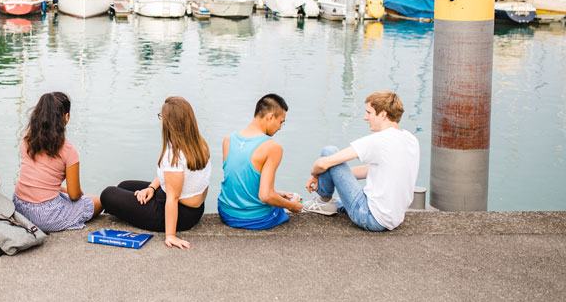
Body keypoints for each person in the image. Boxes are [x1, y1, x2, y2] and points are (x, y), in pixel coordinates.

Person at [101, 96, 211, 249]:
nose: (161, 121)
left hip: (178, 214)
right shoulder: (199, 144)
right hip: (194, 209)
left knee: (108, 194)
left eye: (162, 117)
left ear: (170, 123)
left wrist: (171, 235)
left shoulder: (174, 155)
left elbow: (172, 197)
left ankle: (128, 213)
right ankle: (130, 208)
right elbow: (174, 177)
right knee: (124, 185)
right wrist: (151, 188)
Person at [303, 90, 420, 232]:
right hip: (394, 218)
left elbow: (323, 163)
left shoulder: (380, 140)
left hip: (370, 217)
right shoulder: (410, 140)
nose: (365, 118)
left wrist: (315, 174)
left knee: (329, 151)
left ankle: (324, 201)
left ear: (383, 114)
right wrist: (334, 175)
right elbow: (368, 171)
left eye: (369, 113)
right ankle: (331, 203)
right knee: (337, 191)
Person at [13, 92, 101, 232]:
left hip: (19, 207)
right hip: (46, 216)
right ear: (66, 117)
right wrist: (81, 194)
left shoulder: (26, 139)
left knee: (66, 195)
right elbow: (74, 195)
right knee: (97, 201)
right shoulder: (68, 151)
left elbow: (42, 181)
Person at [217, 93, 302, 230]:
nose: (280, 128)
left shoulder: (228, 139)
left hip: (226, 213)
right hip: (253, 219)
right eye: (281, 122)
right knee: (280, 208)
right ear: (270, 117)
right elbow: (266, 196)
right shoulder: (272, 147)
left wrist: (277, 194)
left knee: (275, 198)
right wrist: (292, 206)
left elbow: (238, 181)